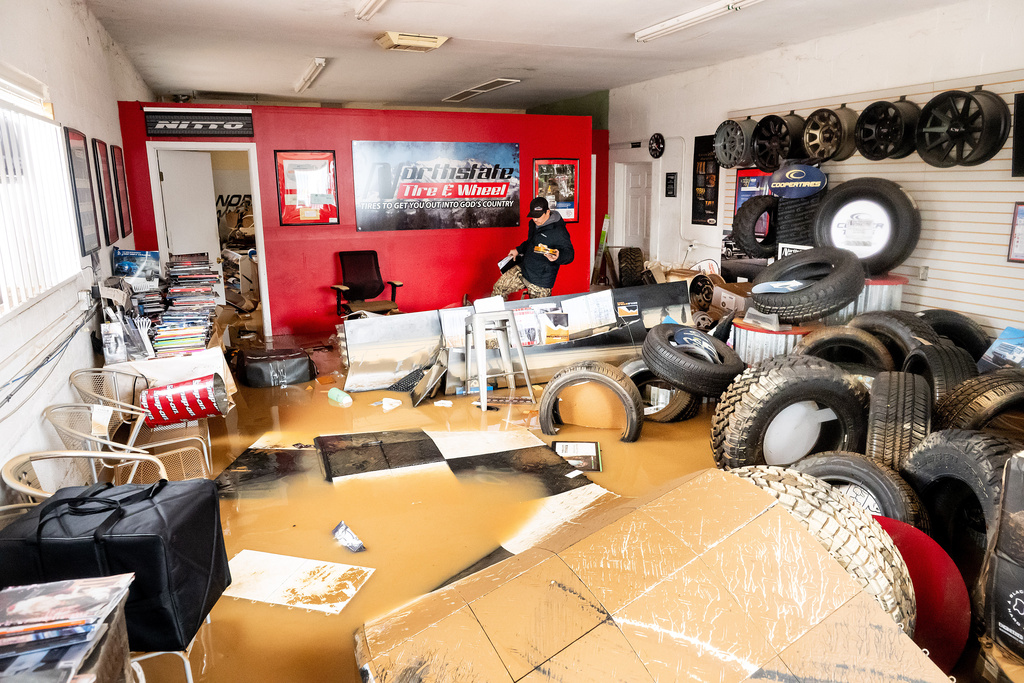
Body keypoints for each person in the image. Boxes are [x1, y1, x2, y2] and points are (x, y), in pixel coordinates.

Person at [492, 196, 574, 300]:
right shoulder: (533, 223)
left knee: (539, 310)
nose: (535, 219)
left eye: (538, 216)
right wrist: (518, 250)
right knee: (499, 288)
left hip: (541, 278)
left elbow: (570, 254)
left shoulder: (558, 231)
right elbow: (531, 242)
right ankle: (500, 316)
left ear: (547, 212)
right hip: (524, 268)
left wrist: (558, 256)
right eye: (533, 216)